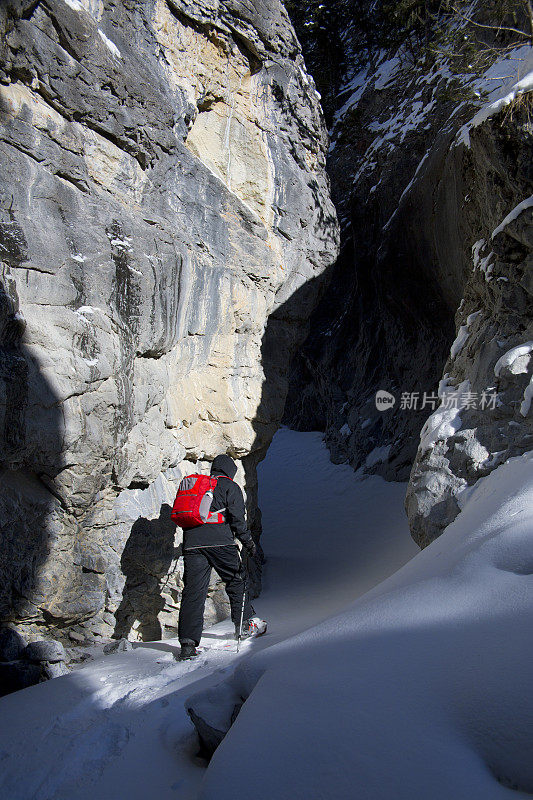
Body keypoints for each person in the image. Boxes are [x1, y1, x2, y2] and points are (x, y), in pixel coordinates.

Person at [177, 454, 267, 660]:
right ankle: (244, 625)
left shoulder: (198, 487)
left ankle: (188, 645)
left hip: (192, 545)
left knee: (193, 592)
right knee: (236, 582)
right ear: (230, 471)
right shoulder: (229, 486)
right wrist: (249, 543)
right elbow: (237, 519)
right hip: (221, 542)